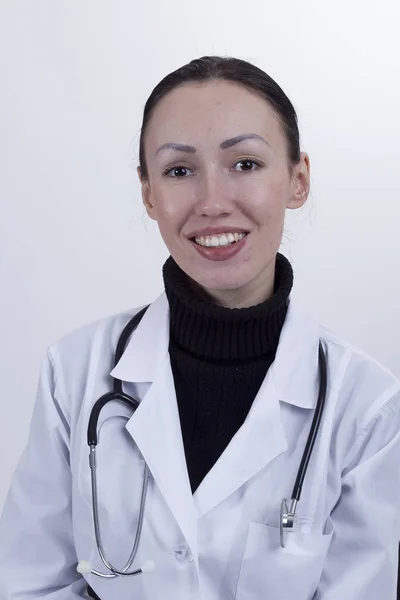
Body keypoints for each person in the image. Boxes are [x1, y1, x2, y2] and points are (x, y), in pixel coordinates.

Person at [0, 55, 399, 600]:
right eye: (179, 171)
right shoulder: (73, 373)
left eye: (245, 164)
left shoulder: (369, 409)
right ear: (148, 194)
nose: (212, 203)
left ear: (297, 180)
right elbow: (28, 584)